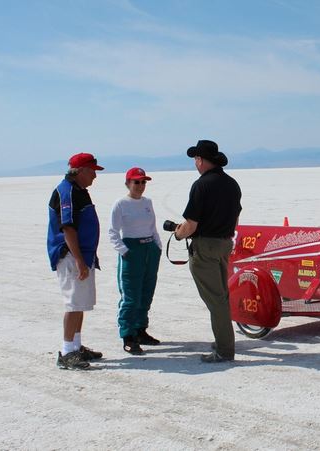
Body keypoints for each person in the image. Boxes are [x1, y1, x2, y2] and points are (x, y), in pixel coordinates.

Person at [174, 140, 242, 363]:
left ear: (201, 160)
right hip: (224, 243)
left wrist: (178, 233)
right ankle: (223, 340)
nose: (195, 163)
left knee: (216, 300)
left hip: (206, 247)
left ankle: (224, 349)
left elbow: (191, 225)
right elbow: (236, 217)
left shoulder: (201, 185)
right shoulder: (232, 184)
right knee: (221, 295)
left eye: (196, 158)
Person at [47, 153, 105, 370]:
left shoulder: (79, 191)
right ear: (80, 171)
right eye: (92, 171)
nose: (94, 176)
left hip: (82, 254)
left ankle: (76, 346)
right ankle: (66, 351)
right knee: (73, 303)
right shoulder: (66, 192)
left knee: (80, 302)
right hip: (70, 255)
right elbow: (68, 228)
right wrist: (79, 261)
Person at [108, 167, 163, 355]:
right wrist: (124, 251)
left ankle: (140, 330)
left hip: (149, 249)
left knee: (146, 292)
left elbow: (152, 226)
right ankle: (128, 336)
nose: (140, 186)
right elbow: (113, 232)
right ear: (128, 183)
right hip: (132, 249)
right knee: (131, 296)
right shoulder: (121, 204)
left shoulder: (147, 202)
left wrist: (157, 246)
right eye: (136, 182)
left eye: (143, 182)